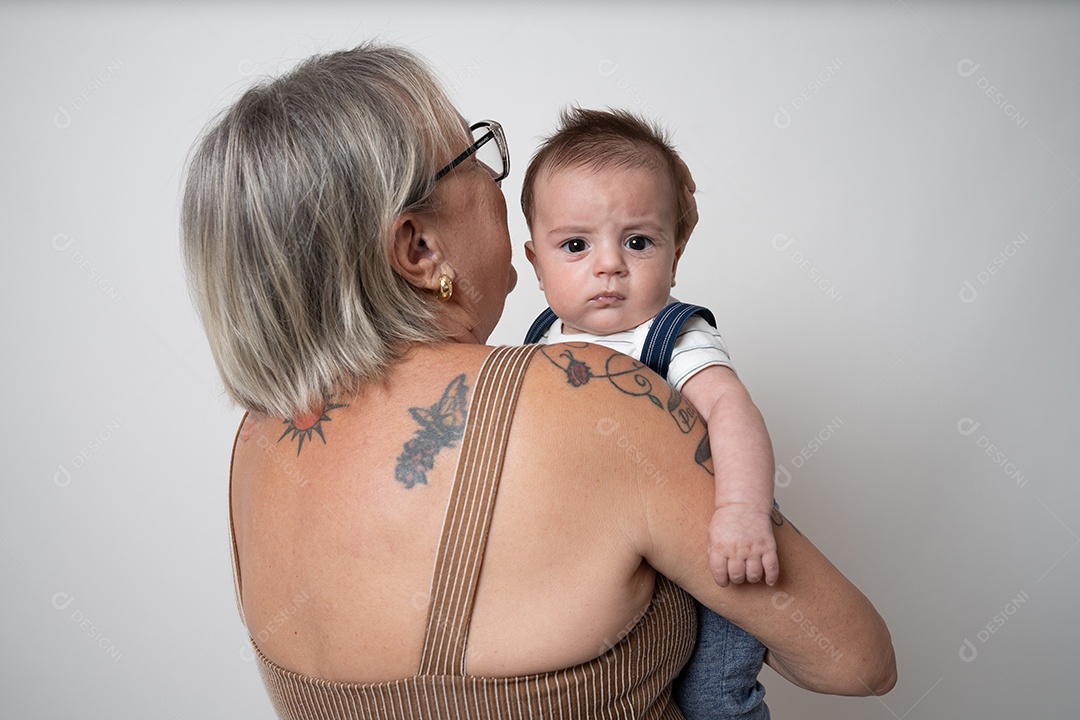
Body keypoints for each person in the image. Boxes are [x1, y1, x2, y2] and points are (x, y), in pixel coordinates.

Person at [181, 42, 896, 719]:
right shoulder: (588, 395)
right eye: (472, 155)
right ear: (419, 247)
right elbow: (857, 660)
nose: (497, 179)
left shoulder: (257, 438)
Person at [519, 108, 779, 718]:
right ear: (535, 261)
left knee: (714, 696)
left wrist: (741, 514)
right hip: (606, 552)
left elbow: (732, 412)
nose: (609, 264)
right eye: (576, 245)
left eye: (638, 242)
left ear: (676, 252)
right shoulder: (538, 344)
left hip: (705, 542)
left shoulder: (671, 337)